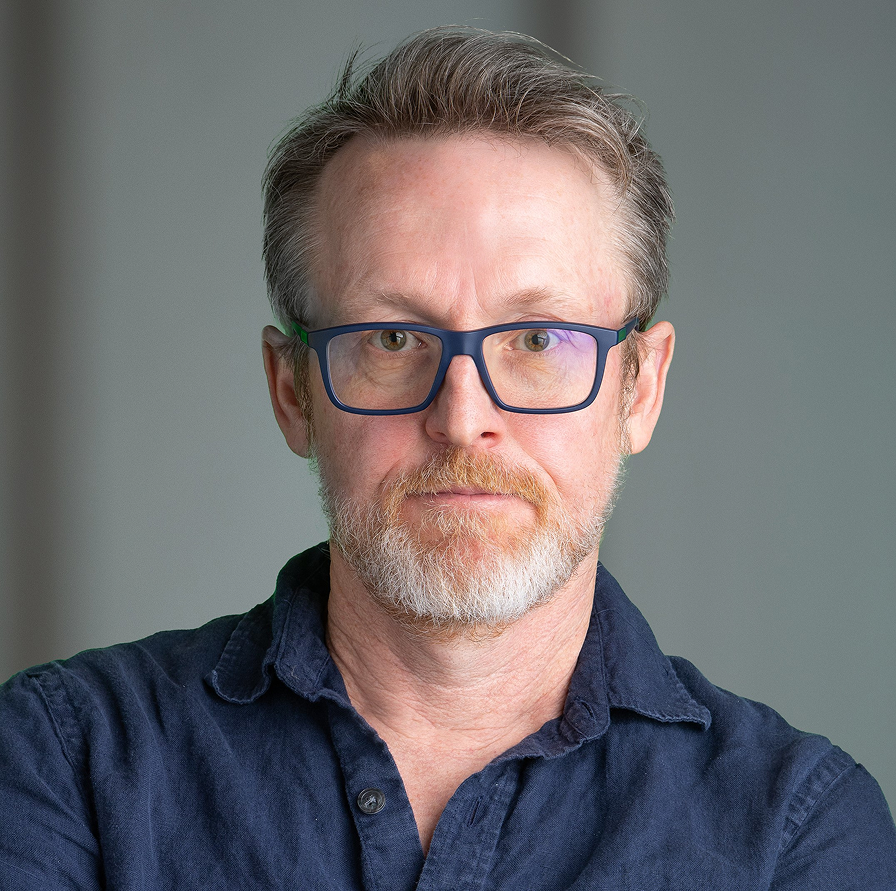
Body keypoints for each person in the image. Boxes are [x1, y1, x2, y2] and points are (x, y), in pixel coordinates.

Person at [1, 27, 894, 890]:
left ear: (641, 388)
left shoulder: (795, 833)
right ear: (292, 390)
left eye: (537, 338)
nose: (463, 419)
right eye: (392, 337)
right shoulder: (62, 761)